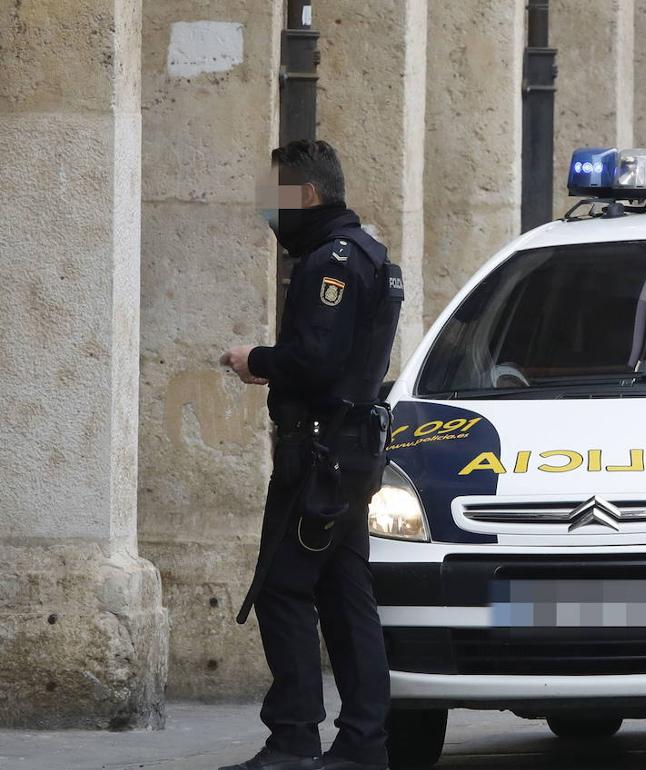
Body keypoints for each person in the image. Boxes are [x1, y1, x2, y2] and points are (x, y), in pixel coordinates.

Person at [218, 139, 403, 770]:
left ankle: (295, 736)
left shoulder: (335, 262)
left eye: (277, 197)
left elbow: (316, 360)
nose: (269, 212)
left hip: (319, 454)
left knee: (283, 590)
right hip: (348, 453)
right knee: (347, 597)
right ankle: (364, 743)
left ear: (310, 195)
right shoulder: (367, 253)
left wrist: (256, 362)